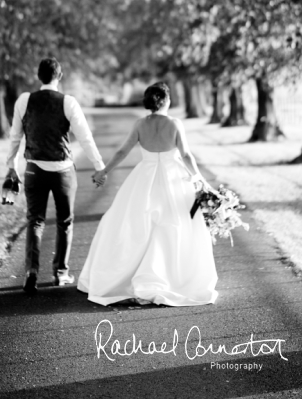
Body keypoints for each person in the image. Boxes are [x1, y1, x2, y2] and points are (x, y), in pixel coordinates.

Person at [77, 82, 218, 306]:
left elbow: (123, 151)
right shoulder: (174, 124)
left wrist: (104, 171)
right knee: (174, 225)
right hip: (173, 180)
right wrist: (201, 179)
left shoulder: (141, 124)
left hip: (145, 178)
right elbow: (187, 155)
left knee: (135, 223)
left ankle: (136, 276)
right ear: (167, 100)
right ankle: (170, 277)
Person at [6, 58, 106, 296]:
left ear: (38, 76)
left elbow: (15, 137)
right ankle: (60, 273)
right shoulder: (68, 102)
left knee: (35, 221)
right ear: (59, 77)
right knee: (64, 222)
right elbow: (85, 137)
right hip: (62, 171)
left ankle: (31, 272)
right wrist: (99, 165)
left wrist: (11, 166)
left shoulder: (24, 100)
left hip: (33, 170)